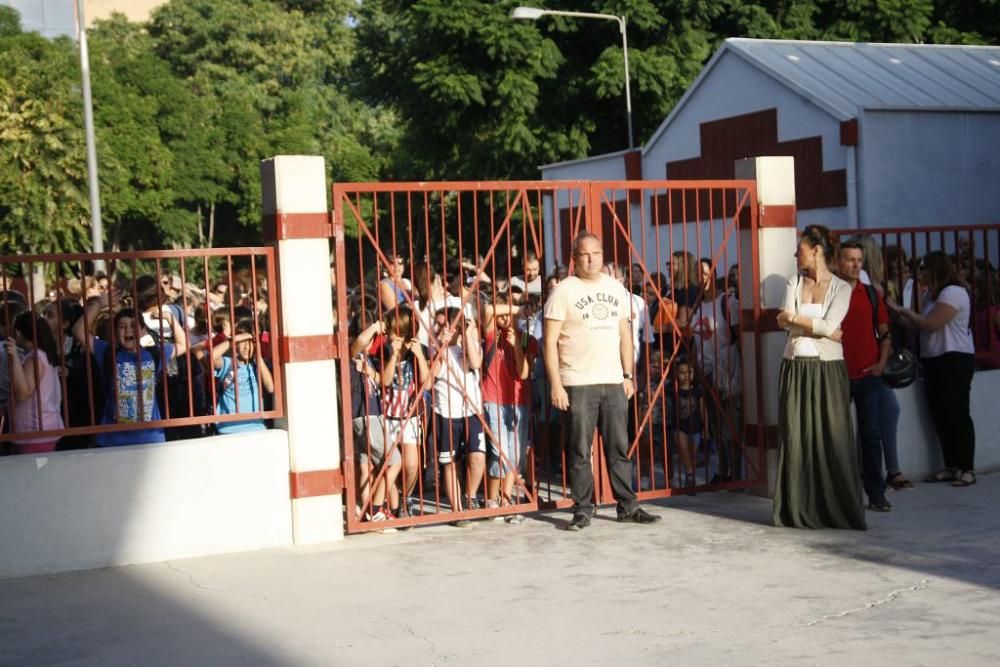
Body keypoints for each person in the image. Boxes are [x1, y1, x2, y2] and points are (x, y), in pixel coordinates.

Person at [543, 232, 660, 530]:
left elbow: (624, 334)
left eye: (595, 253)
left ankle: (627, 506)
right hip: (578, 382)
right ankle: (583, 509)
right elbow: (550, 342)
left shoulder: (615, 288)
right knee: (580, 450)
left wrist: (628, 375)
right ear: (574, 257)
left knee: (619, 448)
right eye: (584, 254)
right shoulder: (563, 291)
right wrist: (556, 384)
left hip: (612, 382)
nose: (591, 259)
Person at [773, 224, 866, 530]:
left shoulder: (841, 287)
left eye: (800, 248)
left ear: (816, 250)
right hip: (795, 367)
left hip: (827, 371)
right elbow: (818, 327)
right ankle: (797, 509)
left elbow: (823, 324)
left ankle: (836, 510)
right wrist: (819, 326)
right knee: (796, 439)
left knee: (832, 439)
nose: (794, 253)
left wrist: (797, 320)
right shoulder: (793, 281)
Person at [888, 251, 977, 487]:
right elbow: (919, 328)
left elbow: (931, 324)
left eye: (924, 268)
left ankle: (967, 468)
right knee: (939, 413)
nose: (920, 274)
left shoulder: (953, 292)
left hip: (954, 358)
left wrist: (905, 310)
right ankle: (951, 465)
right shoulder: (933, 296)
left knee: (958, 412)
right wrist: (897, 315)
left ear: (934, 269)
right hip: (934, 358)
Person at [71, 294, 188, 447]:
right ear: (114, 334)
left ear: (143, 331)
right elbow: (78, 331)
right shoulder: (107, 352)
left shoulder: (155, 354)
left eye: (133, 325)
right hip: (113, 439)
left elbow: (184, 344)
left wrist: (169, 317)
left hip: (150, 438)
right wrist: (98, 304)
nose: (128, 330)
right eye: (122, 326)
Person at [837, 241, 895, 512]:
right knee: (838, 438)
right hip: (836, 375)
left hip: (868, 375)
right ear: (839, 262)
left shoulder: (871, 294)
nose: (856, 264)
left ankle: (876, 493)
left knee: (871, 436)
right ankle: (842, 494)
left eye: (859, 259)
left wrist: (881, 363)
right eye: (850, 259)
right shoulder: (829, 293)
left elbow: (884, 332)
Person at [481, 292, 536, 523]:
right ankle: (494, 500)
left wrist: (516, 346)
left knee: (513, 455)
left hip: (518, 402)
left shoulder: (527, 340)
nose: (504, 318)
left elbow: (524, 373)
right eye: (502, 313)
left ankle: (503, 500)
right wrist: (515, 309)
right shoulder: (491, 335)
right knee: (500, 451)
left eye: (509, 314)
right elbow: (487, 311)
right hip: (492, 399)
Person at [429, 307, 484, 526]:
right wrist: (441, 346)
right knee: (449, 463)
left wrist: (468, 332)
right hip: (446, 412)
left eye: (448, 324)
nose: (444, 329)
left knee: (477, 457)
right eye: (440, 324)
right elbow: (431, 376)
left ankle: (469, 497)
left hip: (471, 410)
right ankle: (457, 510)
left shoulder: (466, 347)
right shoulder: (436, 351)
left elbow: (476, 363)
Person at [5, 313, 64, 455]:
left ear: (17, 333)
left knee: (32, 474)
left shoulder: (35, 357)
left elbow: (23, 392)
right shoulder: (43, 355)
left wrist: (14, 358)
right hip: (41, 429)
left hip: (35, 431)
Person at [211, 318, 274, 434]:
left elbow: (270, 388)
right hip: (228, 429)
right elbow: (211, 357)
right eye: (242, 342)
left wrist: (258, 357)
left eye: (251, 343)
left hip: (256, 427)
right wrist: (232, 340)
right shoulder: (228, 364)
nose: (246, 347)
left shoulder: (257, 366)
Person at [672, 359, 708, 488]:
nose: (686, 375)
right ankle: (689, 475)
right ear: (676, 373)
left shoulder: (697, 390)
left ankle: (689, 473)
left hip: (695, 425)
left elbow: (703, 409)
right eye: (682, 372)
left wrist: (706, 428)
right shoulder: (673, 390)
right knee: (683, 448)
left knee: (691, 454)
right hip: (679, 425)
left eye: (690, 372)